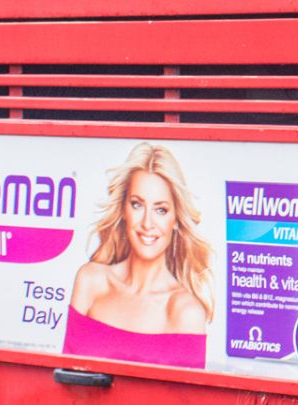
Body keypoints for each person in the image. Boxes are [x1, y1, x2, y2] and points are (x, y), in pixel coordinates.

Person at [63, 143, 213, 367]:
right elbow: (65, 381)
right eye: (137, 205)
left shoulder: (185, 311)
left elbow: (187, 402)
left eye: (160, 210)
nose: (147, 223)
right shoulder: (91, 281)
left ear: (175, 220)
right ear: (123, 210)